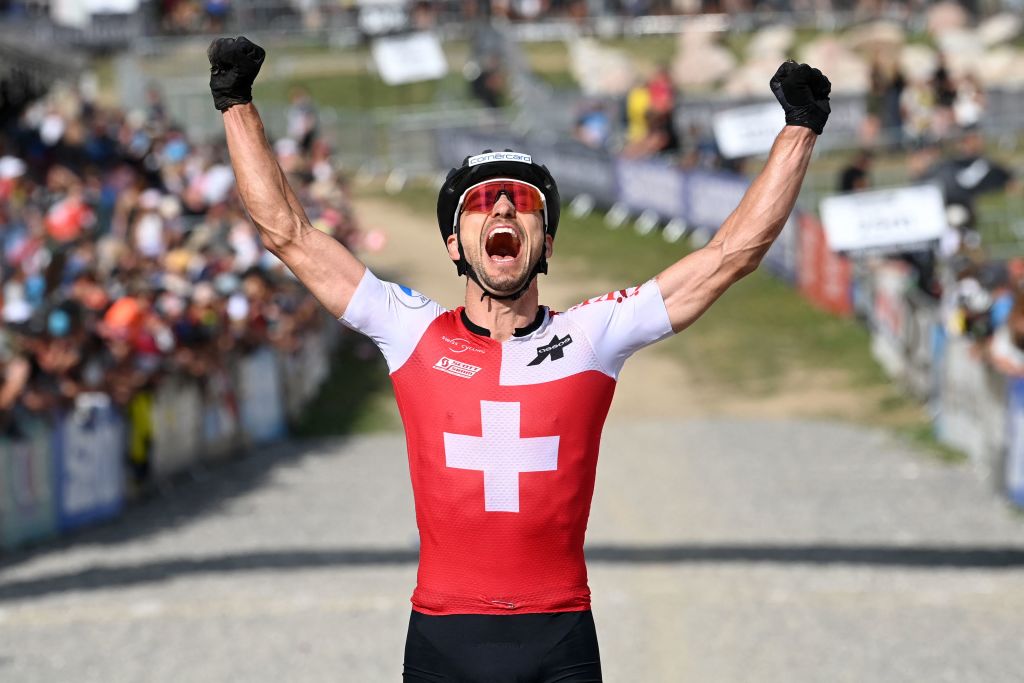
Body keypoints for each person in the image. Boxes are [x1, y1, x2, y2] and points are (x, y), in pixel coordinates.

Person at [207, 36, 831, 682]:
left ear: (546, 242)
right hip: (442, 637)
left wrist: (799, 130)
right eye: (481, 201)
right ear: (455, 242)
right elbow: (290, 234)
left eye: (522, 202)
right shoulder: (410, 329)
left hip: (558, 637)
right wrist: (236, 102)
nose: (502, 207)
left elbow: (730, 256)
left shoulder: (594, 333)